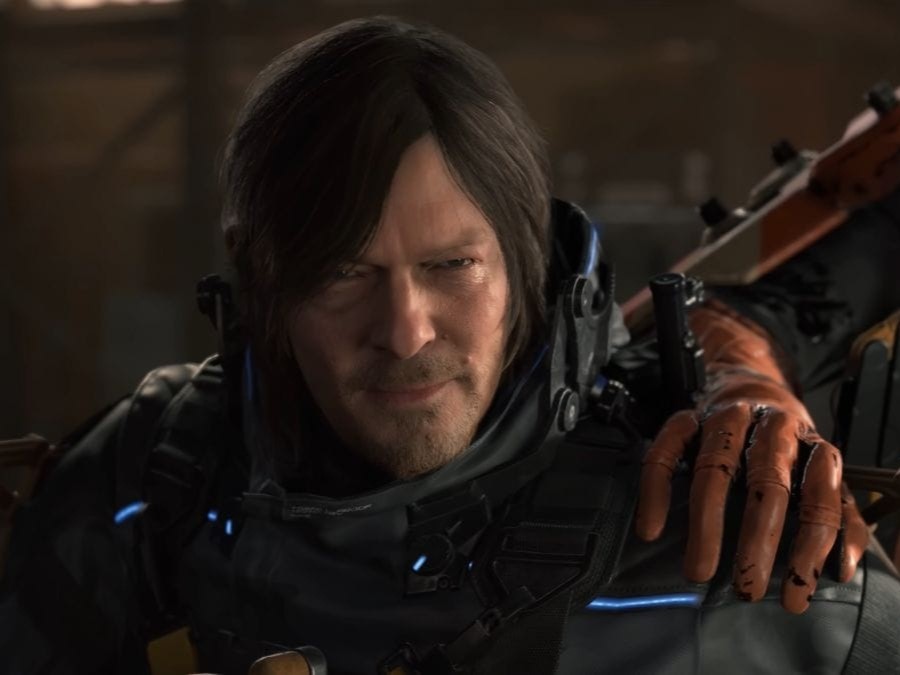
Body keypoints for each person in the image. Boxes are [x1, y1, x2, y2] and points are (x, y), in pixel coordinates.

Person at [1, 16, 899, 675]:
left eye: (451, 265)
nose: (405, 331)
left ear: (527, 270)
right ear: (265, 290)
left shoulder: (724, 552)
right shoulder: (153, 480)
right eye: (343, 272)